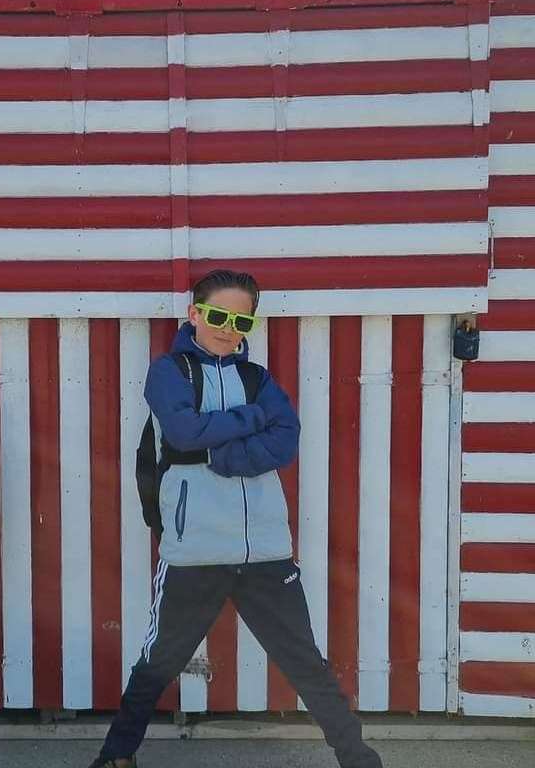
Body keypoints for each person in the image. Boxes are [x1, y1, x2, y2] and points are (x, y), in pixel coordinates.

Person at [90, 269, 383, 768]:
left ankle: (358, 757)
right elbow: (182, 432)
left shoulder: (257, 377)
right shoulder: (170, 372)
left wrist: (219, 454)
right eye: (219, 316)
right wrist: (251, 420)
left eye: (241, 319)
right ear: (195, 315)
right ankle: (116, 757)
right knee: (159, 661)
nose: (228, 328)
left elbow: (285, 439)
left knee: (306, 662)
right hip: (194, 550)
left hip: (266, 549)